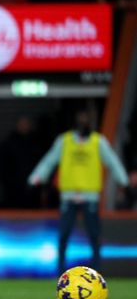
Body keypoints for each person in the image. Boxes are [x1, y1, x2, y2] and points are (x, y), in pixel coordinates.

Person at [28, 110, 128, 274]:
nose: (84, 126)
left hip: (90, 196)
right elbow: (49, 160)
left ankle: (96, 271)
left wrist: (123, 182)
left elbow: (112, 161)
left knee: (94, 235)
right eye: (82, 123)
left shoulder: (98, 141)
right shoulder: (64, 141)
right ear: (76, 124)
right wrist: (35, 178)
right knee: (64, 234)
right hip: (68, 196)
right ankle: (61, 271)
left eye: (86, 123)